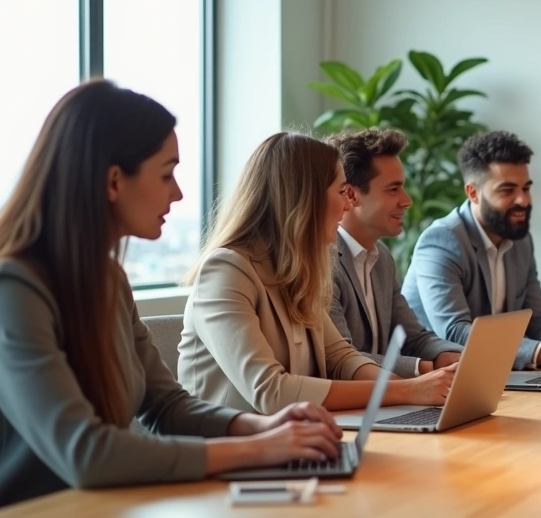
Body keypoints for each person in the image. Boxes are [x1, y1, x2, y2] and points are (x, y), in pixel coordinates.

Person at [0, 81, 346, 518]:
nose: (177, 193)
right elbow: (87, 454)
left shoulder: (109, 281)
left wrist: (261, 425)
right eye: (166, 174)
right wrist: (256, 449)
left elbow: (166, 406)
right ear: (114, 181)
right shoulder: (7, 291)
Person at [177, 132, 456, 415]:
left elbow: (341, 358)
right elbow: (271, 391)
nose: (348, 205)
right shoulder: (226, 270)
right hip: (231, 449)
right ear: (304, 198)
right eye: (340, 192)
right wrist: (406, 391)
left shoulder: (299, 267)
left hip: (294, 439)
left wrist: (415, 395)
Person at [403, 131, 541, 371]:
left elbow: (538, 320)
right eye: (507, 190)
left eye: (526, 188)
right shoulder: (441, 241)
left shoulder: (519, 240)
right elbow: (454, 332)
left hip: (494, 372)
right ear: (473, 193)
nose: (523, 200)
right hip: (438, 379)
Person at [326, 128, 462, 377]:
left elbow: (413, 338)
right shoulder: (324, 263)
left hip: (387, 401)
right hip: (347, 409)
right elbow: (341, 357)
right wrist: (426, 368)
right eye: (393, 189)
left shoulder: (382, 258)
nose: (407, 200)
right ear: (351, 195)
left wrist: (452, 356)